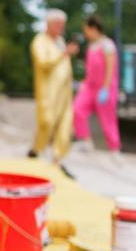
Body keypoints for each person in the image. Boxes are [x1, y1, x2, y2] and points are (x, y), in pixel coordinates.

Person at [29, 9, 79, 171]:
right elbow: (43, 62)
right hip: (48, 93)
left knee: (65, 125)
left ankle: (57, 158)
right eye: (58, 24)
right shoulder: (39, 41)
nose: (60, 27)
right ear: (49, 24)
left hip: (64, 93)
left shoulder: (60, 40)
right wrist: (64, 53)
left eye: (62, 25)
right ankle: (37, 151)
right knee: (47, 121)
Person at [73, 15, 121, 158]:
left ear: (93, 28)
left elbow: (110, 67)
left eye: (86, 30)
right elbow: (90, 68)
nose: (85, 33)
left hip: (104, 88)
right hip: (90, 87)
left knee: (108, 119)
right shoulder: (91, 46)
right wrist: (84, 83)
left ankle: (114, 149)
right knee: (77, 109)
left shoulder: (107, 45)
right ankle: (86, 141)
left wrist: (105, 88)